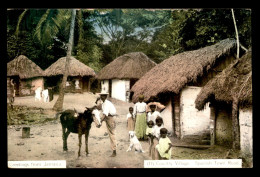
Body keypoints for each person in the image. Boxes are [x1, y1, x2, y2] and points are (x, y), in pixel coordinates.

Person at [98, 91, 117, 157]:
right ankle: (113, 149)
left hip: (110, 118)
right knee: (110, 134)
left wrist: (100, 121)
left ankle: (114, 151)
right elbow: (100, 109)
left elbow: (104, 114)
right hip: (108, 117)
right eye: (101, 95)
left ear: (106, 96)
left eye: (103, 95)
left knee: (112, 134)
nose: (101, 97)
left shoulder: (106, 103)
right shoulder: (103, 103)